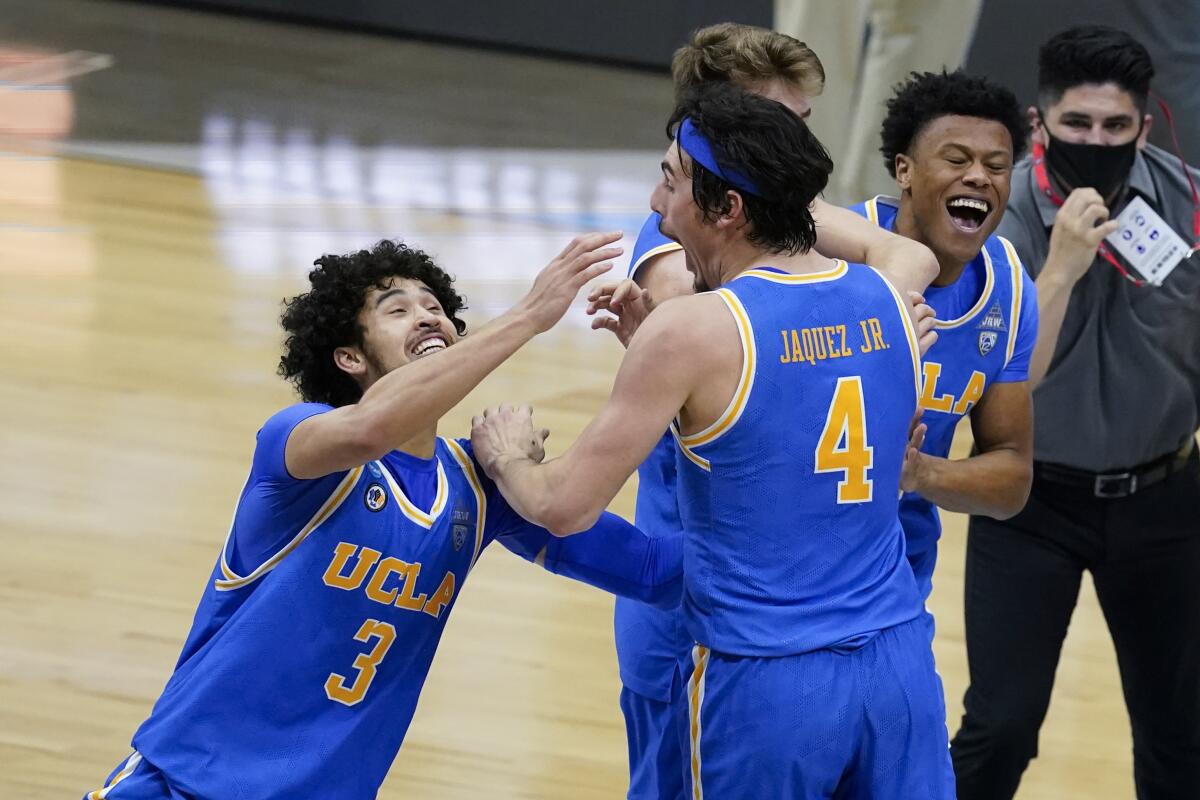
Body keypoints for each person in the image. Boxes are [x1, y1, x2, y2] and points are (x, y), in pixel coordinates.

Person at [472, 83, 953, 798]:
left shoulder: (693, 330)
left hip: (772, 681)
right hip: (901, 668)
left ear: (727, 209)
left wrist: (508, 455)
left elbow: (565, 507)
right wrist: (675, 389)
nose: (655, 204)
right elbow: (793, 429)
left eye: (672, 180)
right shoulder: (887, 296)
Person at [84, 236, 687, 800]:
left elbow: (657, 573)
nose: (428, 316)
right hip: (187, 783)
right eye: (398, 310)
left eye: (435, 307)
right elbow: (372, 427)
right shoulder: (298, 447)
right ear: (349, 356)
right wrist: (530, 315)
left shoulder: (480, 486)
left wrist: (674, 389)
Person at [589, 22, 940, 800]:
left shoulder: (780, 223)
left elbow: (910, 259)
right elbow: (694, 315)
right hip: (698, 578)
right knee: (671, 774)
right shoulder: (676, 231)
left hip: (814, 589)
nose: (792, 141)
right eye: (776, 120)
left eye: (801, 123)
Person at [949, 25, 1200, 800]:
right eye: (1078, 126)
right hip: (1029, 500)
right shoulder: (997, 218)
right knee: (1002, 725)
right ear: (1040, 124)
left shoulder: (1189, 205)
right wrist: (1059, 265)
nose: (1098, 142)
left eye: (1116, 128)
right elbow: (1008, 381)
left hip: (1164, 502)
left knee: (1181, 736)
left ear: (1143, 128)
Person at [848, 69, 1037, 603]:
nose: (979, 176)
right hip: (793, 564)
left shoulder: (1010, 290)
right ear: (904, 170)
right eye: (957, 160)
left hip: (900, 576)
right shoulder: (833, 257)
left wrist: (920, 473)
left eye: (996, 166)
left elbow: (1011, 477)